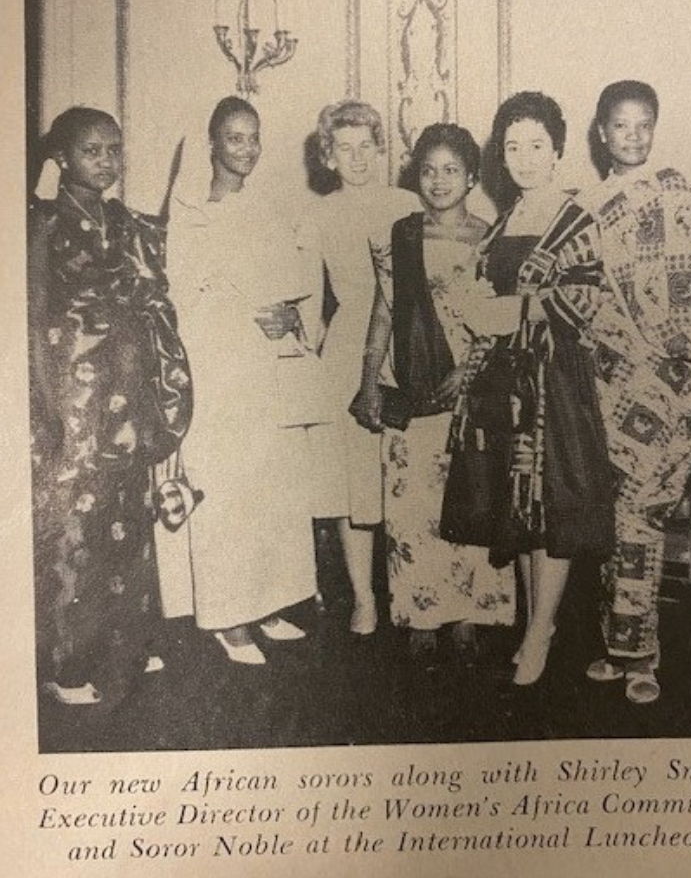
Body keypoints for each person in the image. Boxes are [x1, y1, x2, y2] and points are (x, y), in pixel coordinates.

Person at [28, 106, 192, 707]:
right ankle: (68, 663)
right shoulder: (42, 223)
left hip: (128, 395)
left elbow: (155, 294)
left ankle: (126, 644)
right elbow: (32, 314)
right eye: (91, 151)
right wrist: (43, 403)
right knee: (77, 523)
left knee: (130, 516)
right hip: (73, 400)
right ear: (62, 158)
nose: (105, 161)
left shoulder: (126, 222)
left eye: (113, 150)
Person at [581, 80, 691, 703]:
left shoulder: (674, 191)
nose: (634, 136)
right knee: (615, 511)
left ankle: (643, 653)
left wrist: (686, 359)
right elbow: (586, 291)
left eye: (644, 124)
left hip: (671, 377)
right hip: (614, 377)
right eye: (621, 125)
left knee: (641, 512)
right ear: (602, 133)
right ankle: (616, 645)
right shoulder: (591, 204)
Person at [468, 91, 615, 687]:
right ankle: (537, 624)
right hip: (509, 377)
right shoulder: (504, 221)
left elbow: (587, 301)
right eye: (513, 148)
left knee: (552, 501)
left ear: (557, 151)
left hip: (555, 378)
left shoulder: (575, 219)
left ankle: (539, 632)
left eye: (536, 146)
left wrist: (519, 310)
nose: (525, 158)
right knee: (521, 503)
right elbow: (485, 292)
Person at [353, 123, 515, 660]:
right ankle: (421, 613)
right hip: (412, 390)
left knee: (469, 498)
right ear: (415, 176)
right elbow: (383, 313)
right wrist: (369, 382)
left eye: (451, 170)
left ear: (471, 177)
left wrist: (467, 371)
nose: (439, 181)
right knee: (412, 505)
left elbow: (501, 322)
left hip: (472, 392)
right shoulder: (399, 236)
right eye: (428, 170)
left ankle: (468, 613)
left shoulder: (491, 239)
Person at [166, 96, 318, 665]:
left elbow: (293, 281)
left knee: (271, 485)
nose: (247, 149)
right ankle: (228, 616)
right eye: (235, 138)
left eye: (254, 138)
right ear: (212, 143)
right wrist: (242, 316)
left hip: (265, 366)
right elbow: (183, 296)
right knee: (228, 487)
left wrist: (288, 315)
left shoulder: (266, 208)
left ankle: (266, 601)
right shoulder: (193, 212)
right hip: (218, 365)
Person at [308, 100, 416, 635]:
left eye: (366, 146)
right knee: (355, 480)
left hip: (408, 342)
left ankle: (413, 591)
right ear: (328, 156)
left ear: (380, 149)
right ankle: (364, 596)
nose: (356, 158)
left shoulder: (408, 204)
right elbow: (310, 300)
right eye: (344, 148)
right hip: (348, 347)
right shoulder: (319, 214)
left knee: (406, 469)